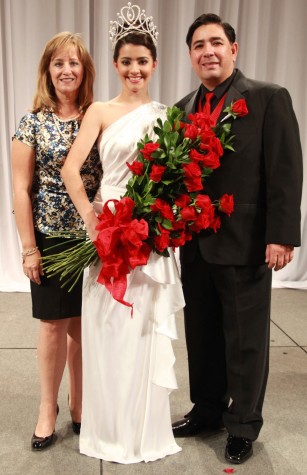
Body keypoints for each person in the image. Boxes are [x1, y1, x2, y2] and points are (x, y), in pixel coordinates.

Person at [171, 13, 303, 464]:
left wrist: (281, 235)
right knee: (201, 333)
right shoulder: (182, 108)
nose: (207, 51)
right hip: (195, 243)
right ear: (190, 56)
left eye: (215, 43)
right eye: (198, 45)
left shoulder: (267, 98)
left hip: (246, 240)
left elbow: (285, 172)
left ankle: (243, 423)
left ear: (234, 48)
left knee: (246, 338)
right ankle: (207, 409)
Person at [60, 3, 184, 464]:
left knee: (142, 329)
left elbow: (173, 177)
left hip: (149, 235)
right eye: (126, 61)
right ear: (116, 64)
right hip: (109, 231)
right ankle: (109, 429)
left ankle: (143, 429)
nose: (135, 69)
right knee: (108, 329)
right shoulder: (99, 110)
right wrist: (92, 220)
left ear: (154, 64)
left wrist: (162, 218)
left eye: (143, 61)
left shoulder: (167, 114)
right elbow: (72, 169)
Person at [11, 32, 102, 451]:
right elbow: (19, 188)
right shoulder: (31, 122)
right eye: (58, 63)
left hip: (94, 238)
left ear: (85, 70)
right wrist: (29, 247)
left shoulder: (99, 116)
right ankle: (48, 409)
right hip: (51, 237)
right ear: (47, 71)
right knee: (52, 326)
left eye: (74, 63)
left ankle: (80, 404)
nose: (66, 70)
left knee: (84, 326)